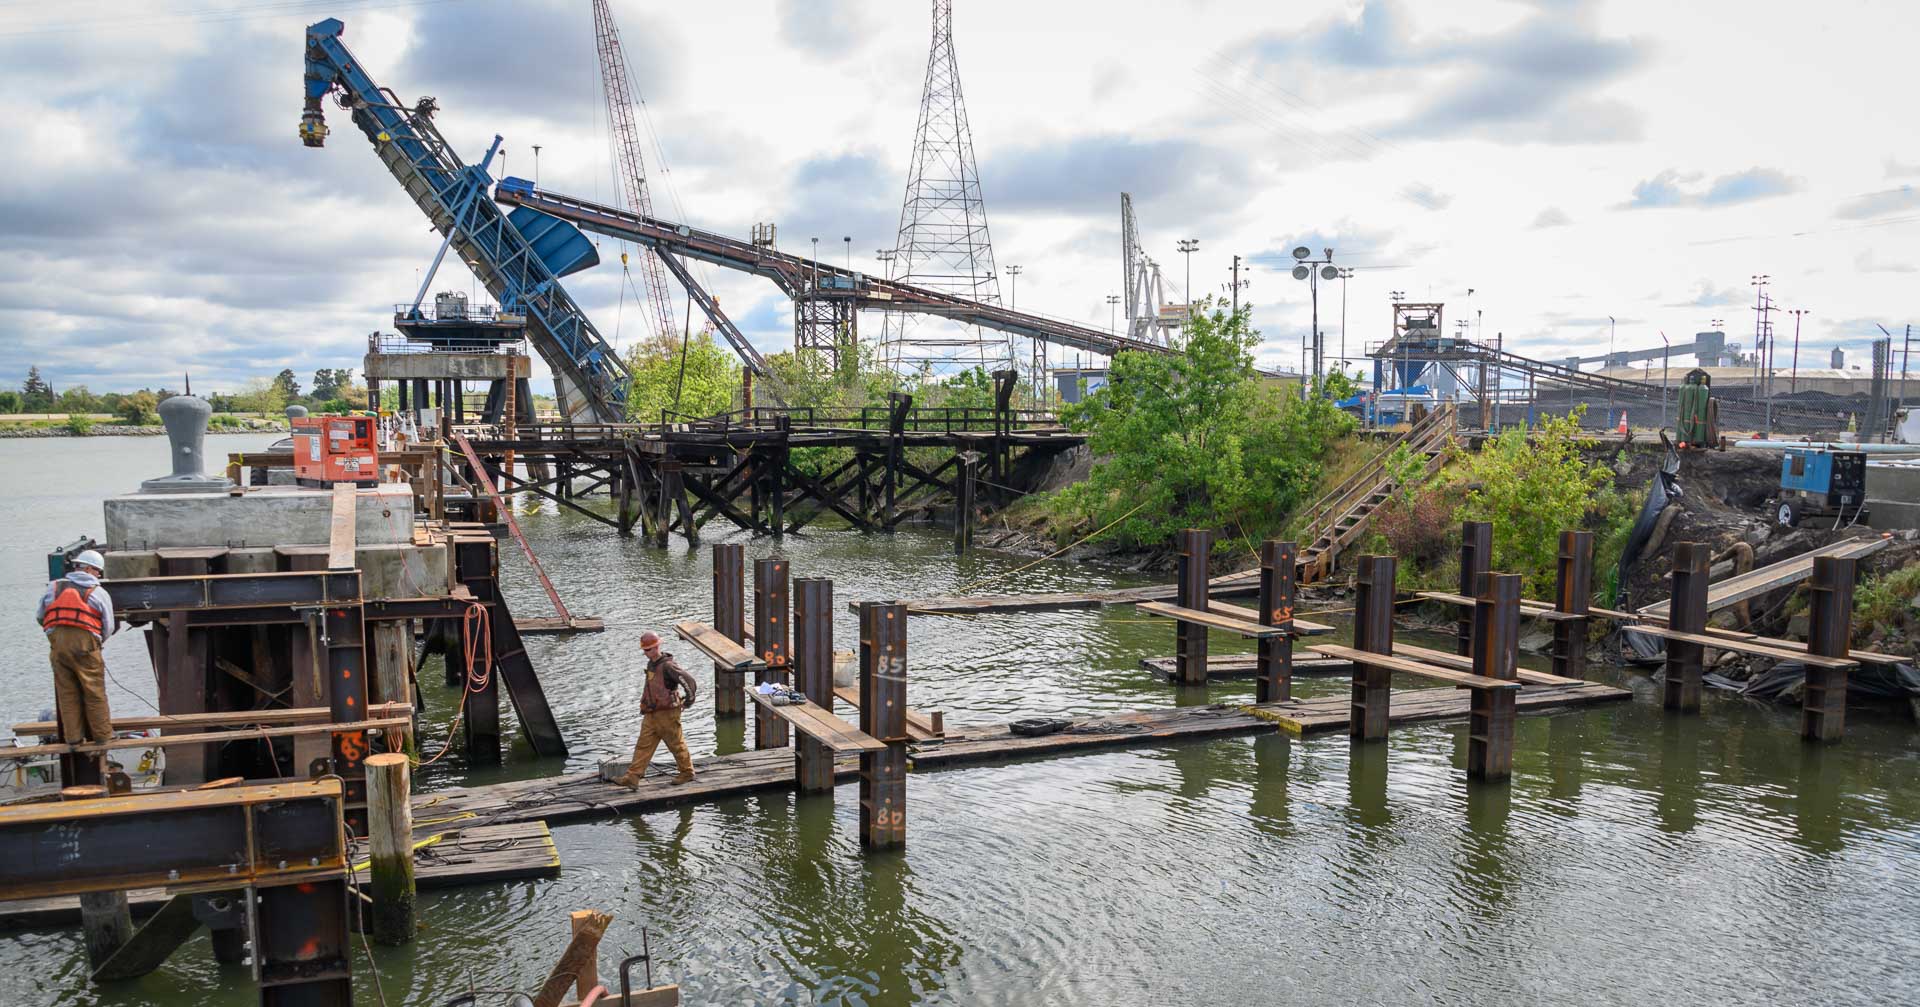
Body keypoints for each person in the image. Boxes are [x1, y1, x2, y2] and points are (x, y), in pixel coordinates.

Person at [37, 550, 116, 746]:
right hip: (85, 647)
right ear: (88, 569)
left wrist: (53, 636)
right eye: (97, 570)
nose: (99, 575)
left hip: (58, 647)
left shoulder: (53, 587)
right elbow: (109, 625)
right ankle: (102, 736)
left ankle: (73, 738)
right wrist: (97, 643)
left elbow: (40, 616)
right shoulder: (98, 592)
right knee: (94, 690)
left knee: (67, 692)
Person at [613, 631, 698, 789]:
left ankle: (687, 772)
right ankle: (633, 777)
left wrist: (688, 701)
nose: (646, 653)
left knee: (676, 744)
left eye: (649, 649)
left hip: (667, 714)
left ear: (657, 646)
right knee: (643, 745)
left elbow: (689, 681)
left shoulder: (668, 665)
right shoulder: (651, 664)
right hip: (651, 713)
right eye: (644, 650)